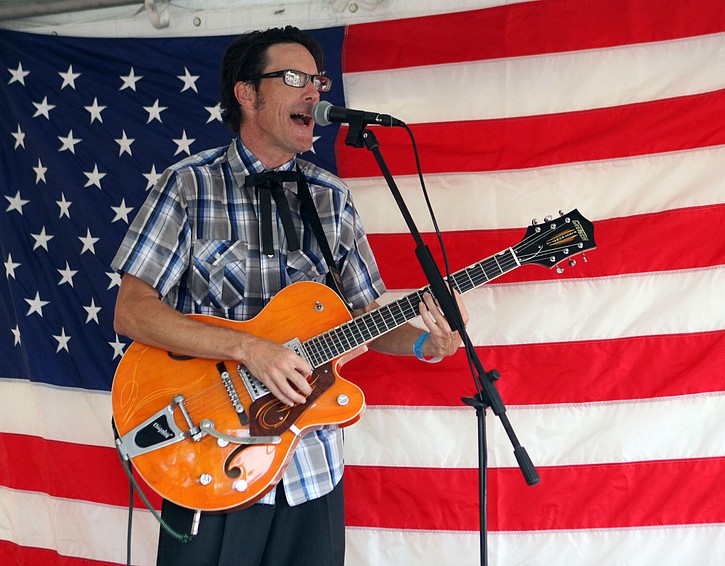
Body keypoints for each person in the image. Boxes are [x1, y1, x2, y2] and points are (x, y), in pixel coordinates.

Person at [111, 26, 467, 566]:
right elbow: (132, 312)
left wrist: (426, 344)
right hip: (210, 456)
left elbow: (370, 316)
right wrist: (249, 349)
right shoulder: (187, 185)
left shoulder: (331, 198)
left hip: (313, 471)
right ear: (247, 94)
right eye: (295, 78)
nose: (314, 94)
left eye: (318, 81)